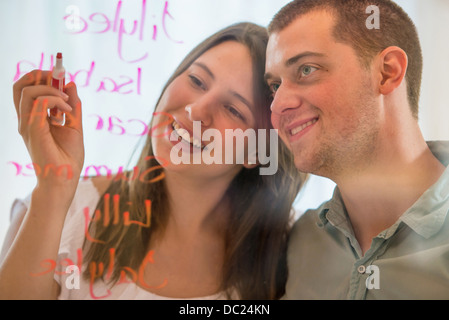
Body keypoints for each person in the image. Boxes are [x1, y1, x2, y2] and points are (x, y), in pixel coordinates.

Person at [0, 22, 306, 300]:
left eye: (233, 109)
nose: (197, 111)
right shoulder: (62, 210)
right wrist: (54, 188)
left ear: (256, 151)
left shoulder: (284, 253)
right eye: (197, 80)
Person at [264, 0, 449, 299]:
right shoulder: (302, 240)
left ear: (387, 72)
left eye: (306, 69)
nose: (277, 104)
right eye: (274, 86)